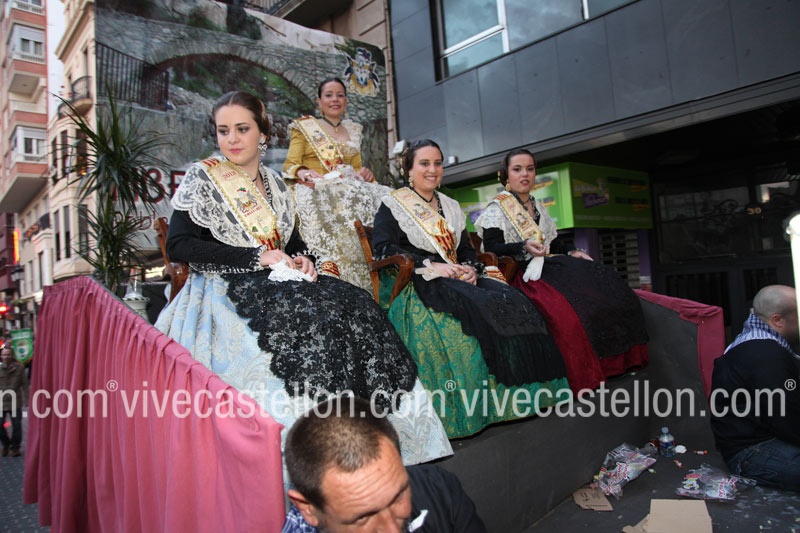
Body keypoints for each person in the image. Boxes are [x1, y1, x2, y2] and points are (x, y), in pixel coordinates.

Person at [155, 91, 451, 464]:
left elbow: (294, 243)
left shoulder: (277, 185)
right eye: (223, 130)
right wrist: (255, 257)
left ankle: (376, 436)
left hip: (279, 279)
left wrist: (305, 261)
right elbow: (179, 245)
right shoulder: (204, 176)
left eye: (242, 129)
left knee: (357, 303)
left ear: (263, 133)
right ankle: (325, 447)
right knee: (312, 318)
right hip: (225, 285)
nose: (232, 139)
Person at [371, 139, 570, 438]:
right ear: (409, 169)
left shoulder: (450, 206)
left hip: (457, 276)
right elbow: (383, 248)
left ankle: (529, 398)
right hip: (422, 278)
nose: (432, 169)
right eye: (424, 163)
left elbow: (464, 249)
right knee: (471, 313)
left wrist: (470, 268)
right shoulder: (394, 204)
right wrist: (432, 264)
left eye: (437, 163)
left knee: (512, 300)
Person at [474, 148, 649, 391]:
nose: (525, 174)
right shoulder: (497, 209)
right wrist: (523, 247)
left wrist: (572, 251)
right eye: (517, 169)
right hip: (521, 273)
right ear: (505, 175)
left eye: (530, 169)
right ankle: (580, 373)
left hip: (549, 266)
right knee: (562, 310)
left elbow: (553, 243)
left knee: (601, 283)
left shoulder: (538, 206)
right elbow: (492, 247)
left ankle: (617, 361)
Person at [283, 396, 487, 532]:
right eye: (363, 518)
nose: (392, 529)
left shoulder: (437, 490)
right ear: (308, 509)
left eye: (398, 497)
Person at [283, 77, 392, 291]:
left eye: (340, 95)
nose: (335, 99)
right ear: (319, 101)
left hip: (347, 193)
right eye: (329, 95)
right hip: (320, 192)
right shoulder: (305, 127)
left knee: (387, 199)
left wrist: (365, 173)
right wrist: (303, 171)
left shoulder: (353, 129)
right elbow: (290, 164)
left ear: (346, 101)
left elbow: (355, 168)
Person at [710, 285, 800, 492]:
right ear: (778, 320)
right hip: (752, 452)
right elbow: (786, 416)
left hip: (758, 443)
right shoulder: (765, 354)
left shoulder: (757, 344)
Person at [0, 345, 28, 457]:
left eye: (8, 354)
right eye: (4, 355)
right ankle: (6, 444)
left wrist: (27, 399)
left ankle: (15, 447)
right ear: (1, 356)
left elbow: (25, 384)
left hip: (15, 401)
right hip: (1, 402)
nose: (6, 357)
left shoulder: (19, 368)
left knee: (17, 426)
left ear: (12, 356)